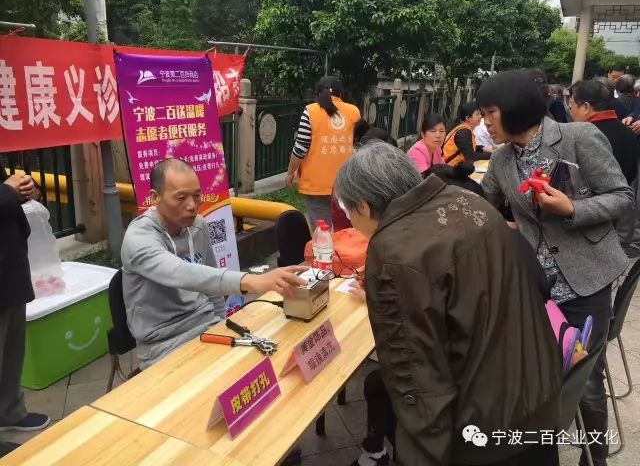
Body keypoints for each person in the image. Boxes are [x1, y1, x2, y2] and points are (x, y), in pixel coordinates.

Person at [338, 142, 562, 466]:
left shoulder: (393, 251)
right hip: (538, 394)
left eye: (348, 212)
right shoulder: (467, 201)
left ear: (363, 205)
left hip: (484, 430)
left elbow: (414, 374)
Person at [478, 70, 633, 466]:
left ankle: (595, 457)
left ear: (514, 107)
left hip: (585, 280)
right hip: (536, 287)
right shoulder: (501, 159)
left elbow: (621, 197)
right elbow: (482, 204)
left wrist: (571, 209)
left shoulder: (578, 137)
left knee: (585, 378)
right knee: (534, 371)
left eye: (490, 112)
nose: (485, 122)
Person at [121, 159, 308, 369]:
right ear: (155, 197)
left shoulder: (198, 225)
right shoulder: (139, 238)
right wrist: (252, 281)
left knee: (276, 356)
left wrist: (222, 323)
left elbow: (211, 285)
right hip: (163, 344)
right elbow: (180, 272)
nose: (192, 205)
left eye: (196, 195)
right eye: (181, 198)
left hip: (207, 325)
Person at [0, 166, 50, 454]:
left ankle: (10, 410)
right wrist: (9, 191)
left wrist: (22, 192)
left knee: (11, 349)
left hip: (9, 264)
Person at [285, 76, 361, 228]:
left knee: (322, 232)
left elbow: (300, 148)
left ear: (318, 93)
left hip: (316, 185)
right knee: (345, 230)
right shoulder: (354, 112)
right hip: (346, 183)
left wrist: (290, 172)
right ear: (341, 94)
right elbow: (358, 145)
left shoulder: (311, 111)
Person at [569, 79, 639, 185]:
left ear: (586, 107)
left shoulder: (581, 136)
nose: (571, 111)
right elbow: (632, 173)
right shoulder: (629, 132)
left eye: (572, 105)